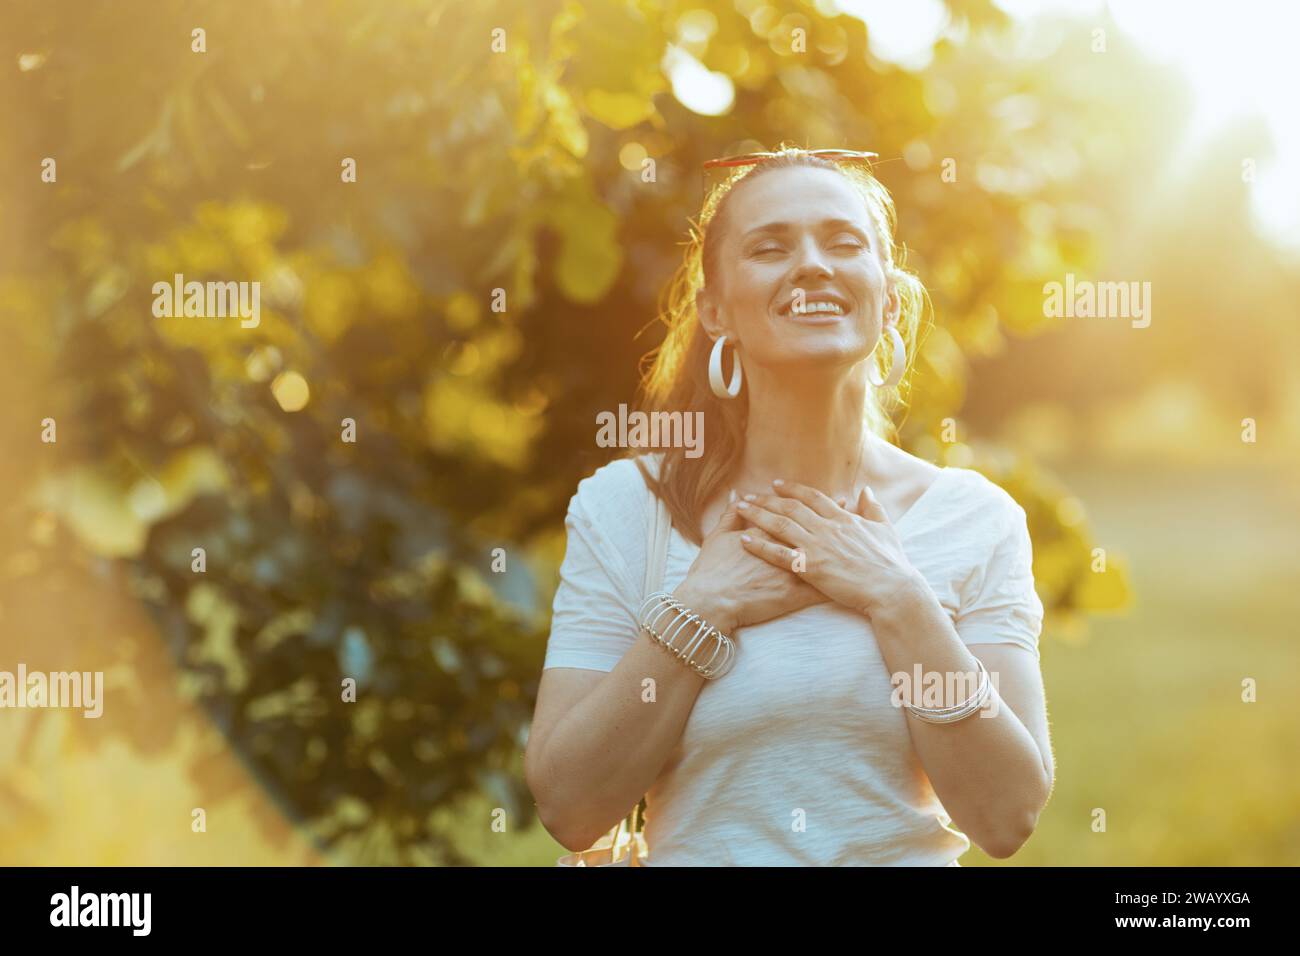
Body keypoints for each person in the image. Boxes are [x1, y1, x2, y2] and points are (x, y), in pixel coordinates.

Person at [524, 148, 1054, 865]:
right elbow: (570, 806)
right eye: (770, 247)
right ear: (715, 310)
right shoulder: (629, 508)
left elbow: (1007, 815)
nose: (812, 265)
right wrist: (701, 609)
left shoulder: (976, 520)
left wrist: (898, 599)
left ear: (888, 297)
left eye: (843, 243)